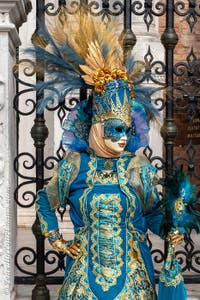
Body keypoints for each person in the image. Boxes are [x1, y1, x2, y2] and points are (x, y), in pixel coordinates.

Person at [34, 9, 184, 299]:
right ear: (98, 127)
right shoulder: (74, 166)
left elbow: (152, 212)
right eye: (115, 129)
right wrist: (57, 240)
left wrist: (169, 230)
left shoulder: (138, 167)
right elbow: (44, 200)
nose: (122, 137)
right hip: (84, 277)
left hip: (134, 277)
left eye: (126, 130)